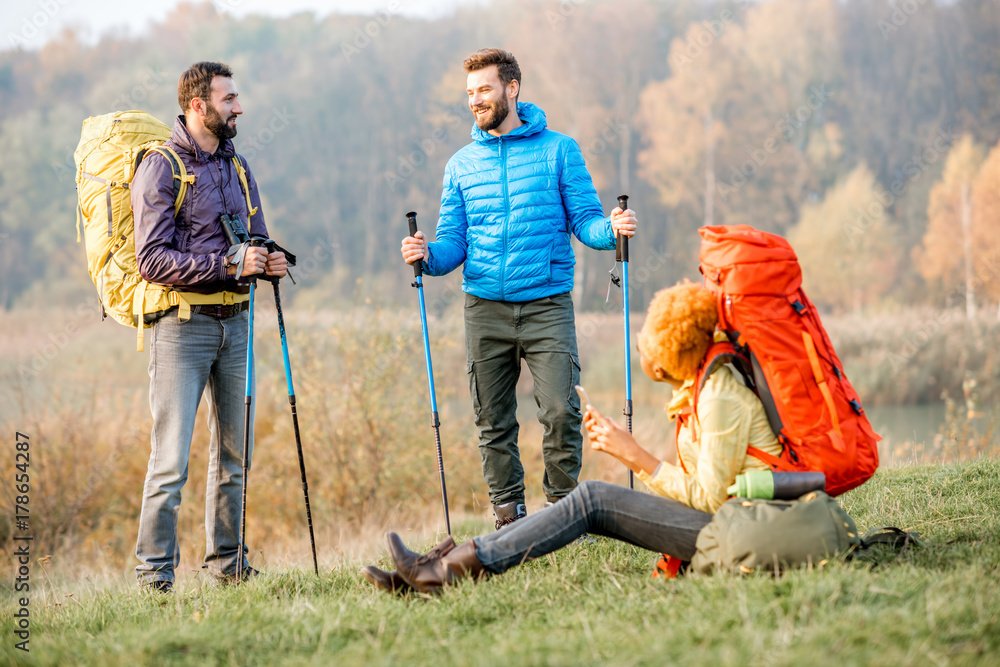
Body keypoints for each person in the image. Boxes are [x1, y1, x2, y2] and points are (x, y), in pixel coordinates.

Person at [363, 281, 783, 594]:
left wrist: (636, 458)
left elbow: (711, 500)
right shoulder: (706, 385)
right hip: (731, 523)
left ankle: (443, 573)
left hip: (736, 532)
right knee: (591, 499)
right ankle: (435, 571)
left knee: (591, 498)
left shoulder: (719, 396)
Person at [400, 48, 638, 529]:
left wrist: (612, 229)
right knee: (493, 420)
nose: (476, 100)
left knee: (560, 411)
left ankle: (564, 513)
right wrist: (425, 256)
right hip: (484, 306)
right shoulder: (460, 165)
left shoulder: (559, 150)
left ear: (512, 88)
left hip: (547, 302)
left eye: (484, 89)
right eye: (469, 93)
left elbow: (586, 222)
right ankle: (509, 519)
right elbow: (452, 244)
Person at [131, 61, 287, 591]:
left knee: (235, 457)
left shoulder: (237, 165)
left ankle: (229, 566)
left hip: (238, 324)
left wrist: (271, 258)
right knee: (170, 461)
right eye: (229, 99)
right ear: (198, 106)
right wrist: (227, 266)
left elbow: (257, 236)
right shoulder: (161, 167)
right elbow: (151, 259)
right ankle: (154, 578)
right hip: (181, 328)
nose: (238, 107)